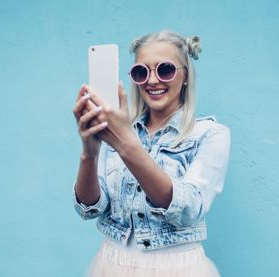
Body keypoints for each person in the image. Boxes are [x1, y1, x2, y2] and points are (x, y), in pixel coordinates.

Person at [72, 30, 230, 277]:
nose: (152, 80)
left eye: (165, 69)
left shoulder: (211, 134)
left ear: (185, 75)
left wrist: (126, 145)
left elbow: (187, 209)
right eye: (141, 72)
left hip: (177, 269)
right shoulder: (117, 130)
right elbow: (90, 208)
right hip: (111, 265)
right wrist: (89, 154)